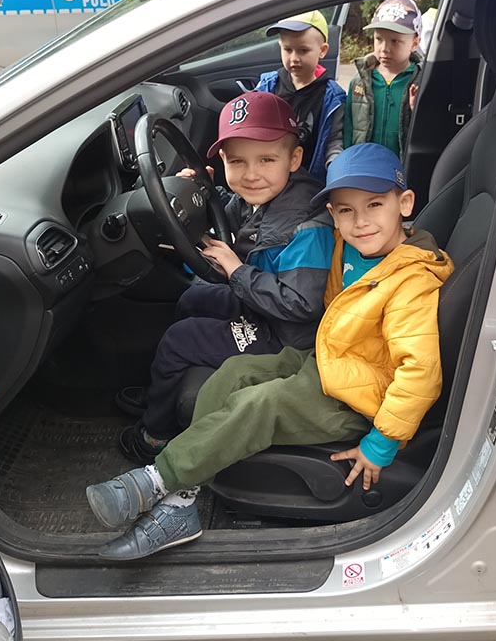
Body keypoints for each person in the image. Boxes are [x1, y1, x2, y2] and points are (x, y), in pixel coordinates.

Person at [87, 143, 454, 559]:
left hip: (362, 399)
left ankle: (159, 480)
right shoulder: (350, 246)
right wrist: (205, 191)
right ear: (333, 216)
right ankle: (183, 501)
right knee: (232, 375)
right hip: (329, 364)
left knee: (261, 403)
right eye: (346, 210)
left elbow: (420, 370)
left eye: (374, 205)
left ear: (404, 204)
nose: (361, 221)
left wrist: (381, 444)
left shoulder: (411, 282)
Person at [116, 89, 335, 466]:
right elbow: (234, 216)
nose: (251, 174)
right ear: (222, 160)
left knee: (179, 340)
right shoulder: (267, 194)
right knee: (191, 299)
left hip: (287, 337)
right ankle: (162, 392)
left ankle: (156, 434)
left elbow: (301, 304)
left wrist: (237, 271)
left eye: (266, 159)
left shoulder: (307, 226)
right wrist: (203, 191)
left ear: (295, 158)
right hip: (262, 304)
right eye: (237, 162)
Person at [257, 10, 345, 176]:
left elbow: (334, 140)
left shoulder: (333, 97)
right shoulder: (268, 85)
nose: (294, 58)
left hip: (308, 178)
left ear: (322, 50)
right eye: (288, 49)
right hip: (268, 173)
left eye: (303, 50)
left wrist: (335, 170)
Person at [343, 0, 423, 155]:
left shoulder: (421, 81)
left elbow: (430, 133)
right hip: (364, 163)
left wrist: (418, 111)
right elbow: (348, 129)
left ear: (415, 43)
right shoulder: (360, 81)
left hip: (403, 166)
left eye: (395, 41)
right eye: (379, 39)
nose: (384, 48)